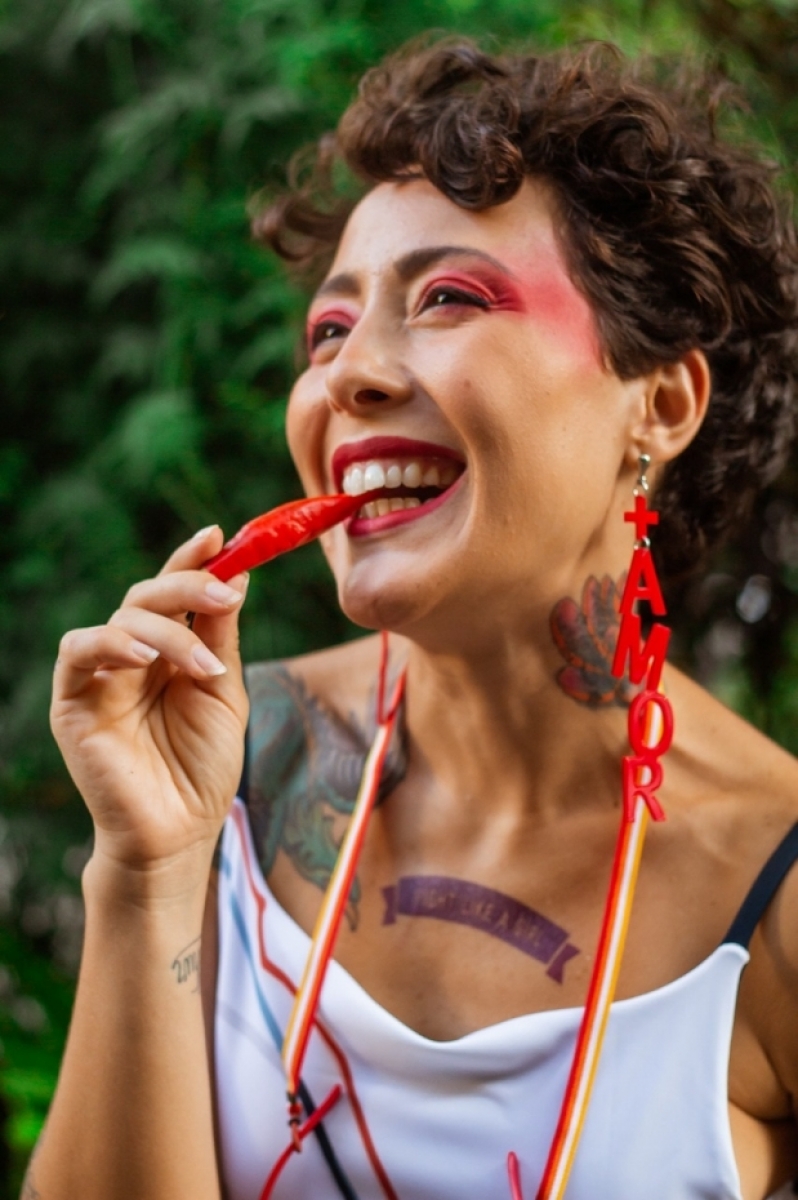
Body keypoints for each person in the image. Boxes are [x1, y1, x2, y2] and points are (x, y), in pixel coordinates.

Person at [31, 34, 798, 1200]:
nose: (349, 376)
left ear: (662, 402)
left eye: (448, 298)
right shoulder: (229, 772)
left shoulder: (773, 884)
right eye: (329, 331)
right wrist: (146, 873)